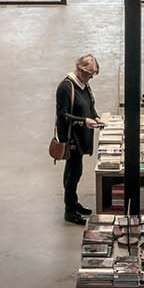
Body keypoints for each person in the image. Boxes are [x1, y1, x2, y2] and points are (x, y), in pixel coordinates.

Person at [55, 54, 102, 224]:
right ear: (81, 70)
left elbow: (89, 106)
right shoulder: (66, 87)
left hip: (82, 135)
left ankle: (73, 202)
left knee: (74, 170)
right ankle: (70, 210)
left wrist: (95, 117)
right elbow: (63, 115)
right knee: (74, 172)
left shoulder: (84, 85)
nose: (91, 78)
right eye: (90, 74)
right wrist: (83, 121)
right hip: (72, 138)